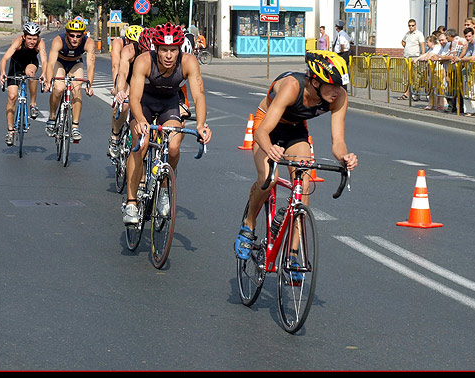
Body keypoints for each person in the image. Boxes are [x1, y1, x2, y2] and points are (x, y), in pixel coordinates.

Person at [234, 50, 358, 261]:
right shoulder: (292, 87)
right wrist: (270, 149)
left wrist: (344, 157)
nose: (338, 91)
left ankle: (292, 252)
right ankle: (249, 224)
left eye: (341, 86)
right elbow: (262, 132)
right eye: (333, 85)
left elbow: (338, 141)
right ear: (316, 82)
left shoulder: (339, 98)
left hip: (295, 131)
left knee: (304, 184)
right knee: (269, 178)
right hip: (267, 125)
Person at [123, 22, 212, 226]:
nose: (169, 55)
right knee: (141, 144)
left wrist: (201, 124)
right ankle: (130, 202)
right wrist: (142, 122)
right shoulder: (144, 61)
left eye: (173, 50)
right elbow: (134, 98)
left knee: (173, 146)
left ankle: (164, 188)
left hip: (169, 103)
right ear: (157, 48)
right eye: (164, 50)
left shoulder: (188, 62)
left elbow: (199, 95)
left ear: (179, 49)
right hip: (144, 102)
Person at [43, 19, 96, 141]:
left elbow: (91, 65)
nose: (75, 39)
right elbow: (50, 64)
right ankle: (52, 117)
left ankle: (75, 126)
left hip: (75, 63)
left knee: (77, 90)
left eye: (79, 36)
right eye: (72, 35)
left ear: (83, 34)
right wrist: (48, 82)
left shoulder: (89, 42)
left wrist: (89, 85)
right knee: (59, 89)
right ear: (67, 34)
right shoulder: (58, 41)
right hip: (60, 63)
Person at [0, 22, 48, 146]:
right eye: (29, 38)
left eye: (34, 39)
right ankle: (10, 131)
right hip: (15, 66)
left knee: (31, 73)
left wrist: (44, 74)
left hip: (30, 63)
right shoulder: (18, 42)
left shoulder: (40, 43)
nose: (32, 42)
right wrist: (2, 73)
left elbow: (44, 60)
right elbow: (4, 59)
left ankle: (33, 104)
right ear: (24, 37)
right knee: (12, 96)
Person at [107, 25, 144, 158]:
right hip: (127, 78)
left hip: (141, 80)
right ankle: (115, 136)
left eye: (138, 43)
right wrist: (119, 90)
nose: (135, 46)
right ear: (127, 41)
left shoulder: (146, 49)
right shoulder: (126, 50)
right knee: (125, 104)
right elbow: (120, 71)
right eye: (132, 43)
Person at [399, 19, 425, 100]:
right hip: (407, 57)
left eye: (412, 25)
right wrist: (407, 47)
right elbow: (403, 42)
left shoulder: (419, 34)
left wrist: (422, 55)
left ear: (415, 25)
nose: (411, 27)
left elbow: (422, 45)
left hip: (415, 57)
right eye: (409, 25)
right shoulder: (407, 34)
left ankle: (415, 93)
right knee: (407, 76)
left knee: (415, 77)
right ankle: (409, 93)